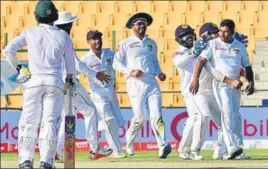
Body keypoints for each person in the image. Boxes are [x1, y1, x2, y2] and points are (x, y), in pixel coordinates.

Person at [2, 1, 76, 168]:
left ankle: (26, 160)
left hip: (33, 82)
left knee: (29, 121)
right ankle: (46, 161)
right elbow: (70, 63)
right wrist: (70, 79)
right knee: (50, 122)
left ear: (36, 16)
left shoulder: (30, 32)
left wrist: (19, 68)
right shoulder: (64, 36)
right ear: (55, 16)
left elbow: (8, 49)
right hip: (54, 82)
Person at [173, 24, 242, 160]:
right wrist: (194, 50)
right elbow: (180, 62)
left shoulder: (211, 46)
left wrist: (235, 44)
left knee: (223, 122)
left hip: (211, 90)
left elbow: (223, 63)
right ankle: (192, 150)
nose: (216, 35)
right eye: (212, 33)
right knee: (200, 116)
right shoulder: (180, 52)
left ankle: (221, 151)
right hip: (193, 91)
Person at [189, 19, 255, 160]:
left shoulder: (239, 46)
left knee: (235, 115)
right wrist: (195, 79)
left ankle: (236, 148)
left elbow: (247, 66)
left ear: (232, 32)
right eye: (221, 30)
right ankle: (231, 148)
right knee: (226, 115)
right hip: (221, 84)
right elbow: (201, 62)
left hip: (236, 85)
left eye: (226, 31)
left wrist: (251, 82)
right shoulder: (213, 44)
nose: (222, 34)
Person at [54, 11, 113, 162]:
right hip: (69, 83)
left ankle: (55, 150)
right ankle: (94, 149)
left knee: (68, 118)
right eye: (71, 23)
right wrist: (95, 74)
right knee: (90, 111)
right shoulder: (65, 39)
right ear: (68, 25)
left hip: (57, 84)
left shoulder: (53, 38)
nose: (73, 26)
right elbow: (77, 64)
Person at [113, 12, 171, 158]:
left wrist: (159, 73)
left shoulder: (151, 43)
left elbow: (155, 62)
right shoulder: (125, 43)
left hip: (152, 81)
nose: (141, 25)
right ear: (132, 26)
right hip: (135, 82)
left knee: (157, 114)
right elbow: (116, 63)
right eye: (138, 23)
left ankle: (162, 145)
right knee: (140, 116)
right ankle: (129, 142)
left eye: (143, 23)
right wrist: (130, 71)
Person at [80, 30, 126, 158]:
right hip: (98, 95)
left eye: (99, 38)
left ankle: (110, 147)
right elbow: (76, 70)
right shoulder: (85, 59)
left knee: (116, 121)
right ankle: (116, 150)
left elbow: (121, 62)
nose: (97, 41)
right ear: (88, 42)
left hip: (111, 92)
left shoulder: (109, 53)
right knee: (109, 120)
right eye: (94, 39)